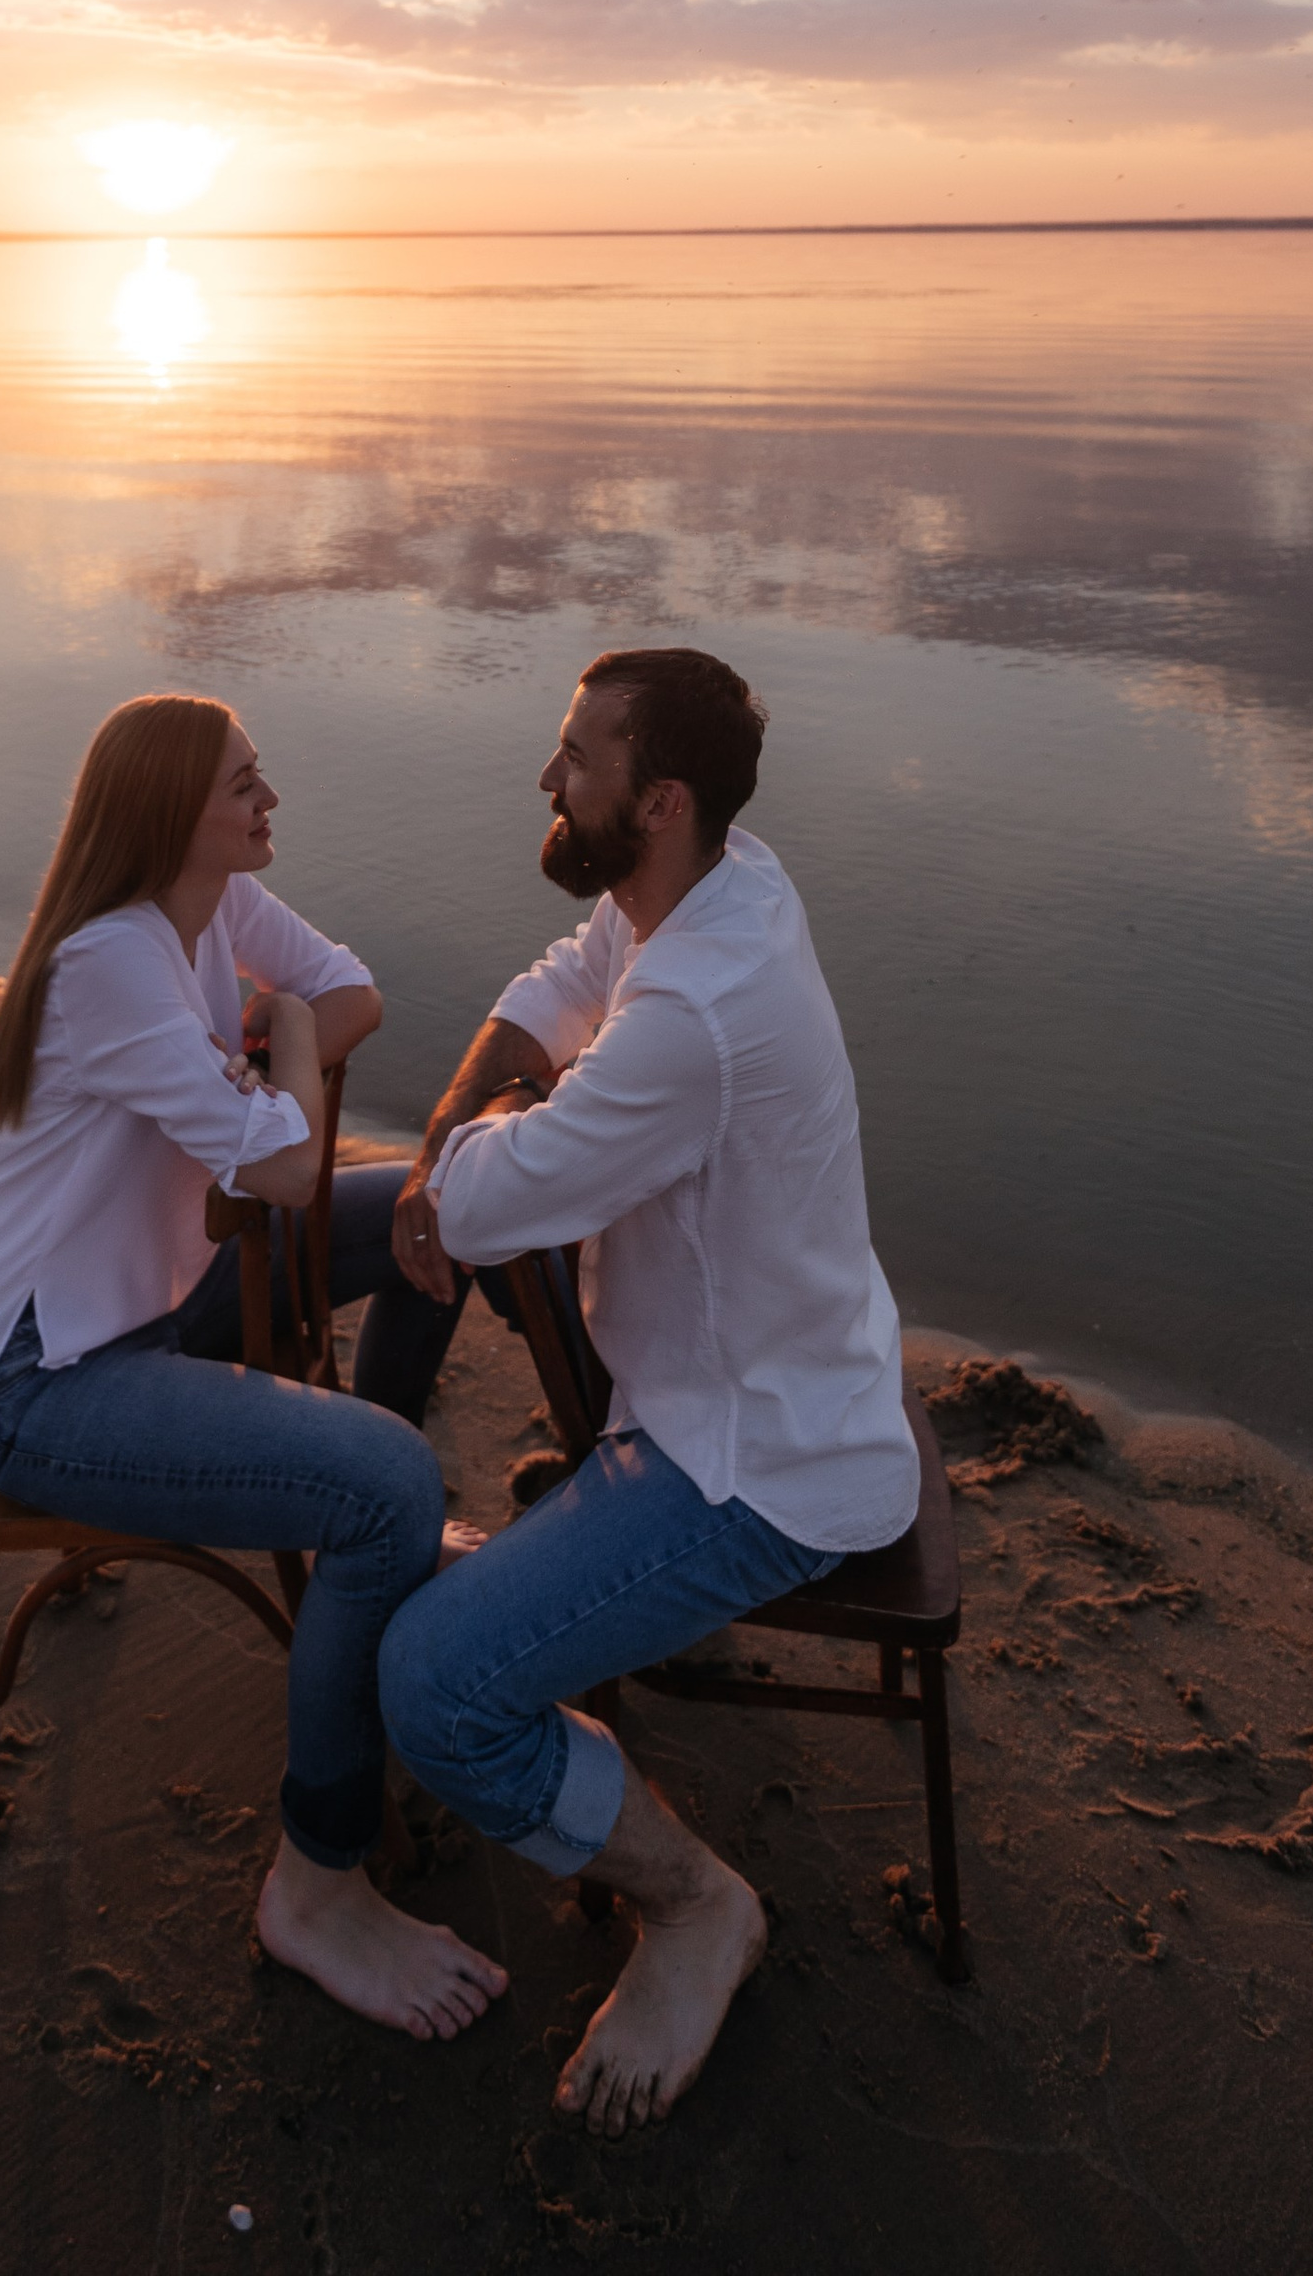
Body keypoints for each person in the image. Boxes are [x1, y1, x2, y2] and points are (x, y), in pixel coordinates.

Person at [378, 647, 917, 2136]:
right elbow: (556, 986)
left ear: (658, 799)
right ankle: (546, 1582)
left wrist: (452, 1171)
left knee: (432, 1690)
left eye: (576, 759)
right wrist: (449, 1130)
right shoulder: (719, 885)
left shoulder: (696, 1012)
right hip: (758, 1380)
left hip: (753, 1469)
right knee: (474, 1205)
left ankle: (696, 1908)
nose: (548, 779)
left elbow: (486, 1210)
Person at [0, 690, 507, 2043]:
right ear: (170, 812)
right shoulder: (113, 961)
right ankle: (315, 1886)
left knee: (454, 1203)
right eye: (245, 786)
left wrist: (273, 1062)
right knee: (382, 1483)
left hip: (159, 1298)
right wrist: (287, 1054)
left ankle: (362, 1508)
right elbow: (296, 1163)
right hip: (42, 1379)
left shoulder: (214, 913)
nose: (271, 803)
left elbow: (357, 991)